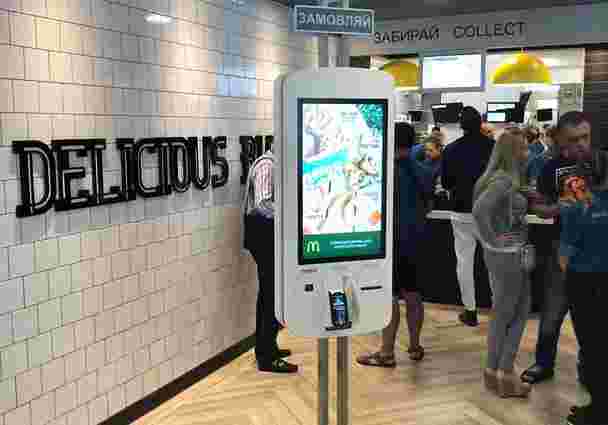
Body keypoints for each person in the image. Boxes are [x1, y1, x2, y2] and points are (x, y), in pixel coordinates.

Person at [521, 111, 603, 386]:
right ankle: (544, 362)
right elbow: (539, 206)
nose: (581, 144)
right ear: (561, 140)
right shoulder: (550, 168)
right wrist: (560, 207)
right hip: (562, 250)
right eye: (574, 139)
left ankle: (590, 368)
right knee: (553, 311)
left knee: (594, 317)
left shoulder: (602, 163)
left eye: (585, 137)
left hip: (598, 251)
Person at [356, 122, 433, 367]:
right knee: (414, 295)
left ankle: (387, 352)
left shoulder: (381, 172)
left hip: (390, 243)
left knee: (389, 296)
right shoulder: (425, 171)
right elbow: (428, 205)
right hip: (417, 241)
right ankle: (415, 345)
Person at [473, 127, 532, 398]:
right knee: (514, 312)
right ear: (512, 152)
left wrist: (492, 242)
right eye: (523, 148)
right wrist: (495, 241)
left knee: (505, 311)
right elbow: (480, 211)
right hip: (509, 254)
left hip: (505, 253)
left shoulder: (497, 178)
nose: (527, 153)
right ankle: (505, 373)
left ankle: (494, 371)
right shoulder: (504, 180)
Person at [242, 149, 298, 373]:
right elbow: (263, 203)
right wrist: (289, 215)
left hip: (267, 236)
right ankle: (266, 356)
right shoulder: (267, 165)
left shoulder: (275, 164)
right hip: (263, 236)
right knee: (270, 295)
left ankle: (268, 347)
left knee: (271, 294)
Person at [559, 175, 608, 425]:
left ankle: (599, 410)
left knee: (591, 344)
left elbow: (565, 254)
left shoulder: (575, 209)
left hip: (584, 280)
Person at [441, 106, 495, 326]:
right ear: (480, 122)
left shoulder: (451, 149)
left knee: (464, 261)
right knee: (494, 262)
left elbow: (446, 183)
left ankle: (470, 311)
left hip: (461, 211)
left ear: (460, 125)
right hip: (488, 210)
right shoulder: (493, 147)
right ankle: (499, 308)